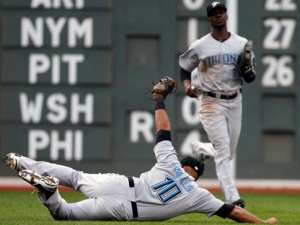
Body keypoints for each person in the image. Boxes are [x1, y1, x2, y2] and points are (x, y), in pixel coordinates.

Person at [5, 77, 276, 223]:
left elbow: (163, 131)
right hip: (123, 210)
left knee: (74, 177)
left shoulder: (170, 162)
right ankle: (48, 191)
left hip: (119, 183)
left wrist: (159, 100)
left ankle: (21, 162)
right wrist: (262, 223)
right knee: (64, 214)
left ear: (183, 165)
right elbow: (234, 212)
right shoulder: (198, 195)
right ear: (196, 175)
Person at [178, 2, 256, 208]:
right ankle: (233, 200)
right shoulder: (200, 45)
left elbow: (250, 77)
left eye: (221, 12)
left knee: (228, 153)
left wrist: (248, 71)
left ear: (227, 16)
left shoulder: (241, 43)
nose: (218, 16)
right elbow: (184, 68)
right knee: (223, 152)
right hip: (211, 101)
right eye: (214, 13)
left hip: (235, 99)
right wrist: (187, 85)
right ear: (209, 19)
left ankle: (202, 149)